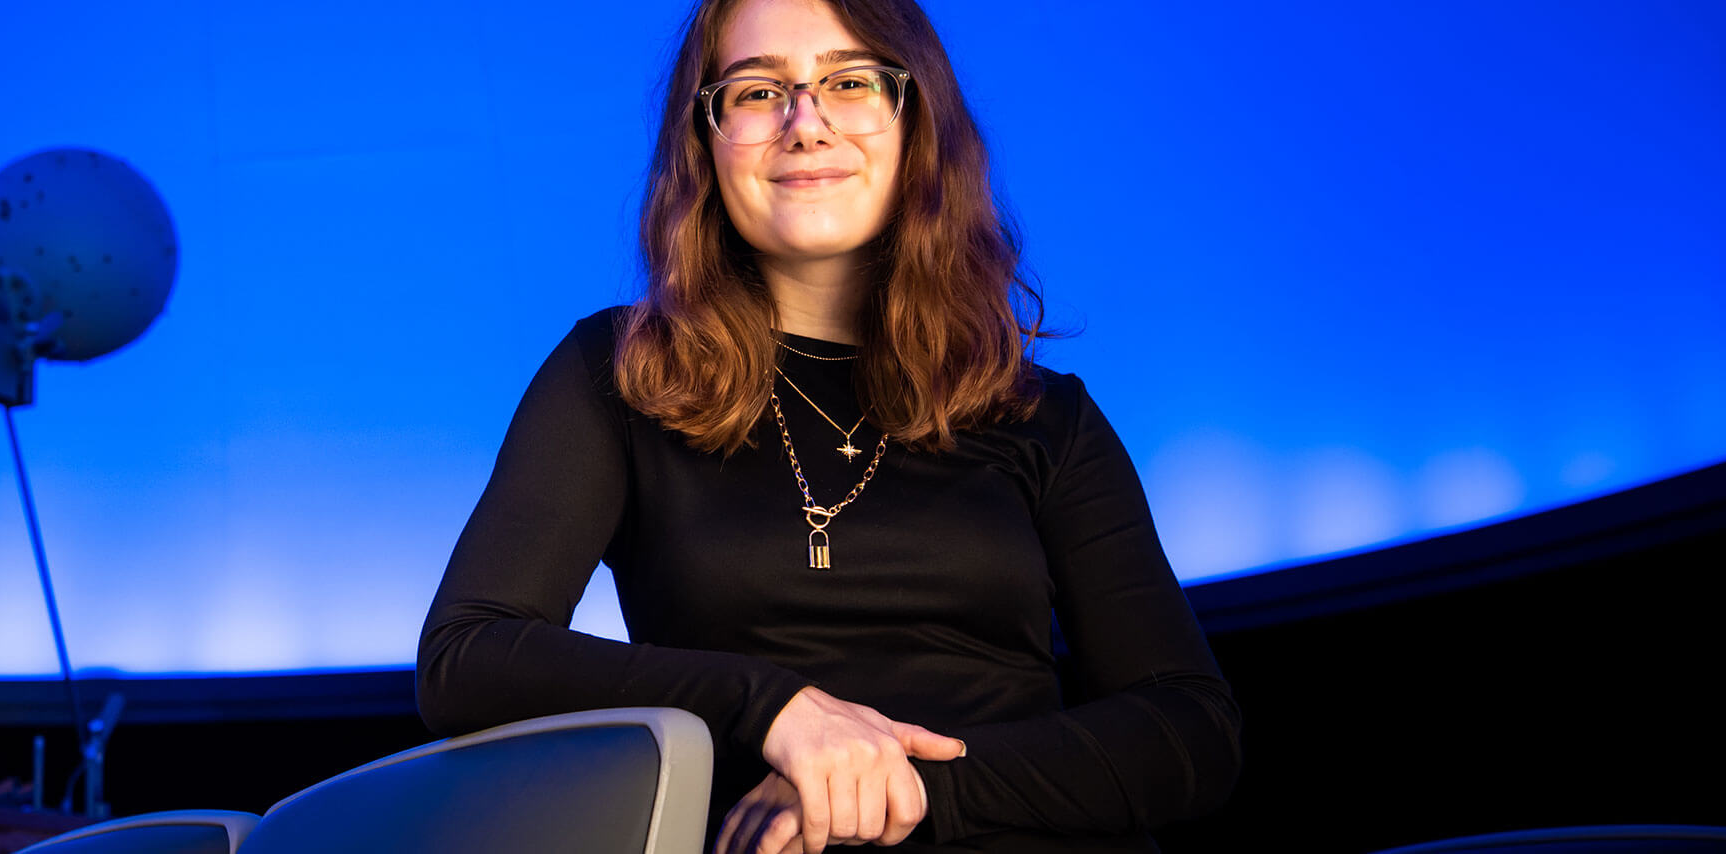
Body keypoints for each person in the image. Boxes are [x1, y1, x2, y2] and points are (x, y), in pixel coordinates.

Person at [415, 0, 1242, 851]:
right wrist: (770, 708)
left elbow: (1191, 729)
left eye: (849, 82)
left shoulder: (1043, 414)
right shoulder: (620, 372)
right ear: (702, 140)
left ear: (916, 121)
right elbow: (468, 656)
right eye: (756, 92)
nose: (804, 124)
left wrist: (907, 789)